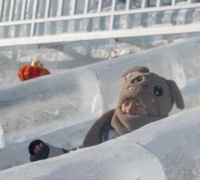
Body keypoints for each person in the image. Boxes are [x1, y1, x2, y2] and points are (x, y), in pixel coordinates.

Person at [28, 66, 184, 162]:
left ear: (156, 112)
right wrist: (49, 153)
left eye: (139, 106)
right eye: (126, 103)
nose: (129, 110)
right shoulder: (106, 131)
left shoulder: (158, 139)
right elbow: (78, 157)